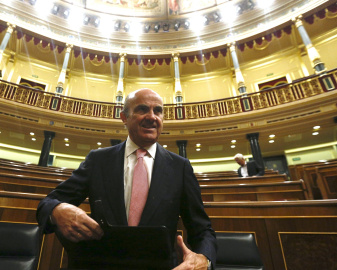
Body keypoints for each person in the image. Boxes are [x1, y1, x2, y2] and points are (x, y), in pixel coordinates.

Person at [37, 88, 217, 269]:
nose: (152, 116)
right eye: (142, 109)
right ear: (124, 117)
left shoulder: (181, 167)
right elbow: (48, 203)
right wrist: (56, 210)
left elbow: (202, 229)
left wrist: (204, 259)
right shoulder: (98, 160)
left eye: (158, 111)